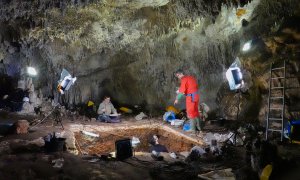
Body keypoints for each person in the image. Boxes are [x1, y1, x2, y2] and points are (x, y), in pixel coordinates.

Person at [174, 69, 204, 135]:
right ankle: (200, 129)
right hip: (196, 96)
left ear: (181, 73)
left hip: (191, 97)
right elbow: (192, 87)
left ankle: (193, 130)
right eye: (177, 76)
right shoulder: (190, 77)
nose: (178, 77)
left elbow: (182, 92)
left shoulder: (184, 79)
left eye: (178, 75)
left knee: (190, 113)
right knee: (196, 112)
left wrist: (177, 99)